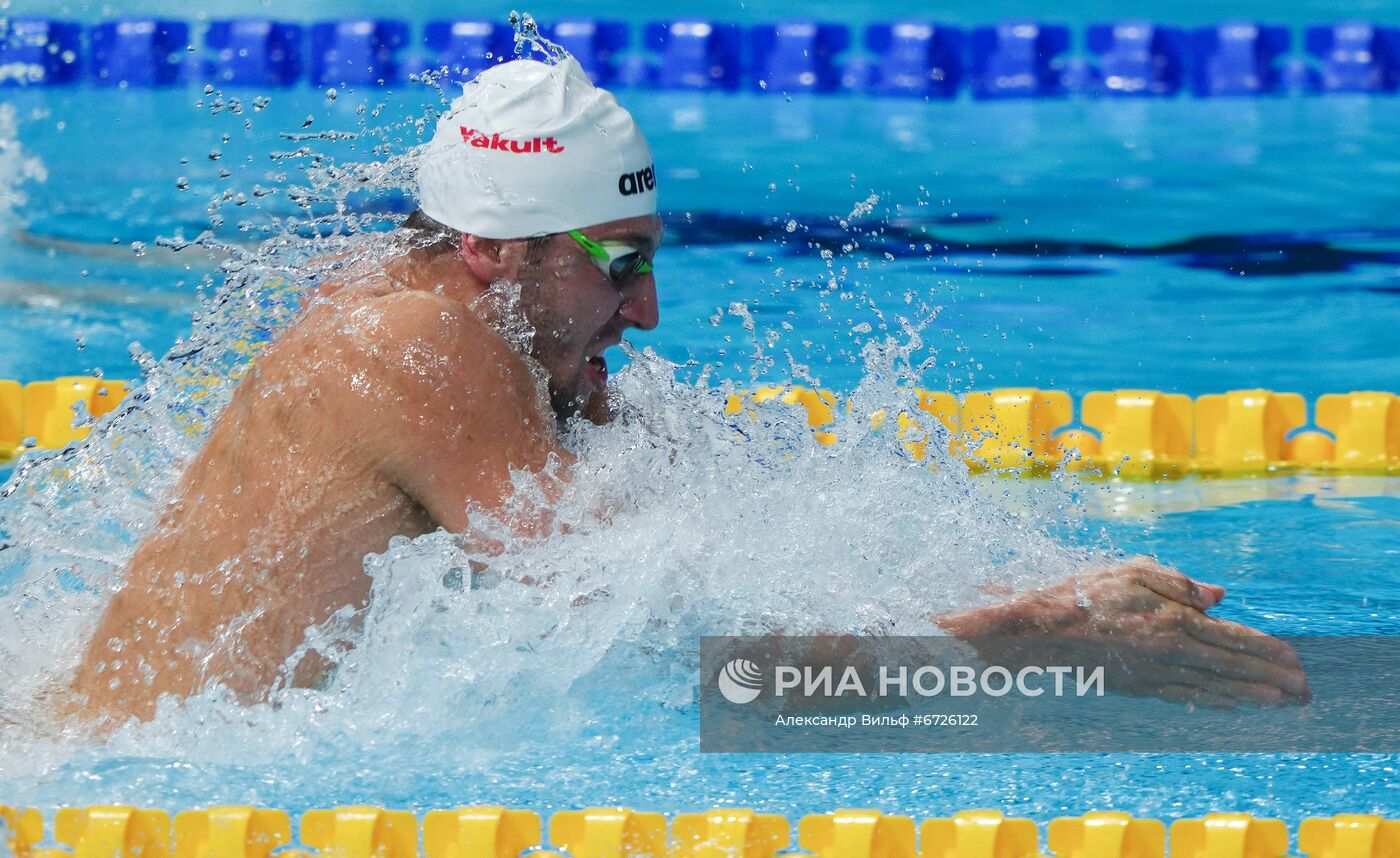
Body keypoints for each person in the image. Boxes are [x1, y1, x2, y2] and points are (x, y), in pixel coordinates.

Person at [65, 57, 1307, 725]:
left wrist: (998, 597)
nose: (647, 311)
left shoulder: (482, 331)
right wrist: (1030, 642)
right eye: (622, 263)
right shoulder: (411, 348)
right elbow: (706, 674)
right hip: (129, 799)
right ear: (498, 252)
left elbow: (712, 573)